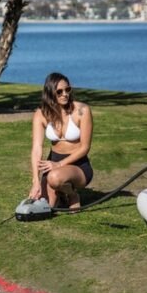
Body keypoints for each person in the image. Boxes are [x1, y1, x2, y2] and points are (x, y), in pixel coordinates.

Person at [29, 73, 94, 211]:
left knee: (54, 177)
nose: (65, 94)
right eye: (59, 91)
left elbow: (85, 147)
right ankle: (60, 192)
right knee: (48, 206)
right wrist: (35, 181)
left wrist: (58, 164)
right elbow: (36, 148)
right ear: (50, 93)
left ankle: (72, 194)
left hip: (78, 166)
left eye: (67, 90)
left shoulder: (82, 110)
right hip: (52, 164)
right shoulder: (41, 114)